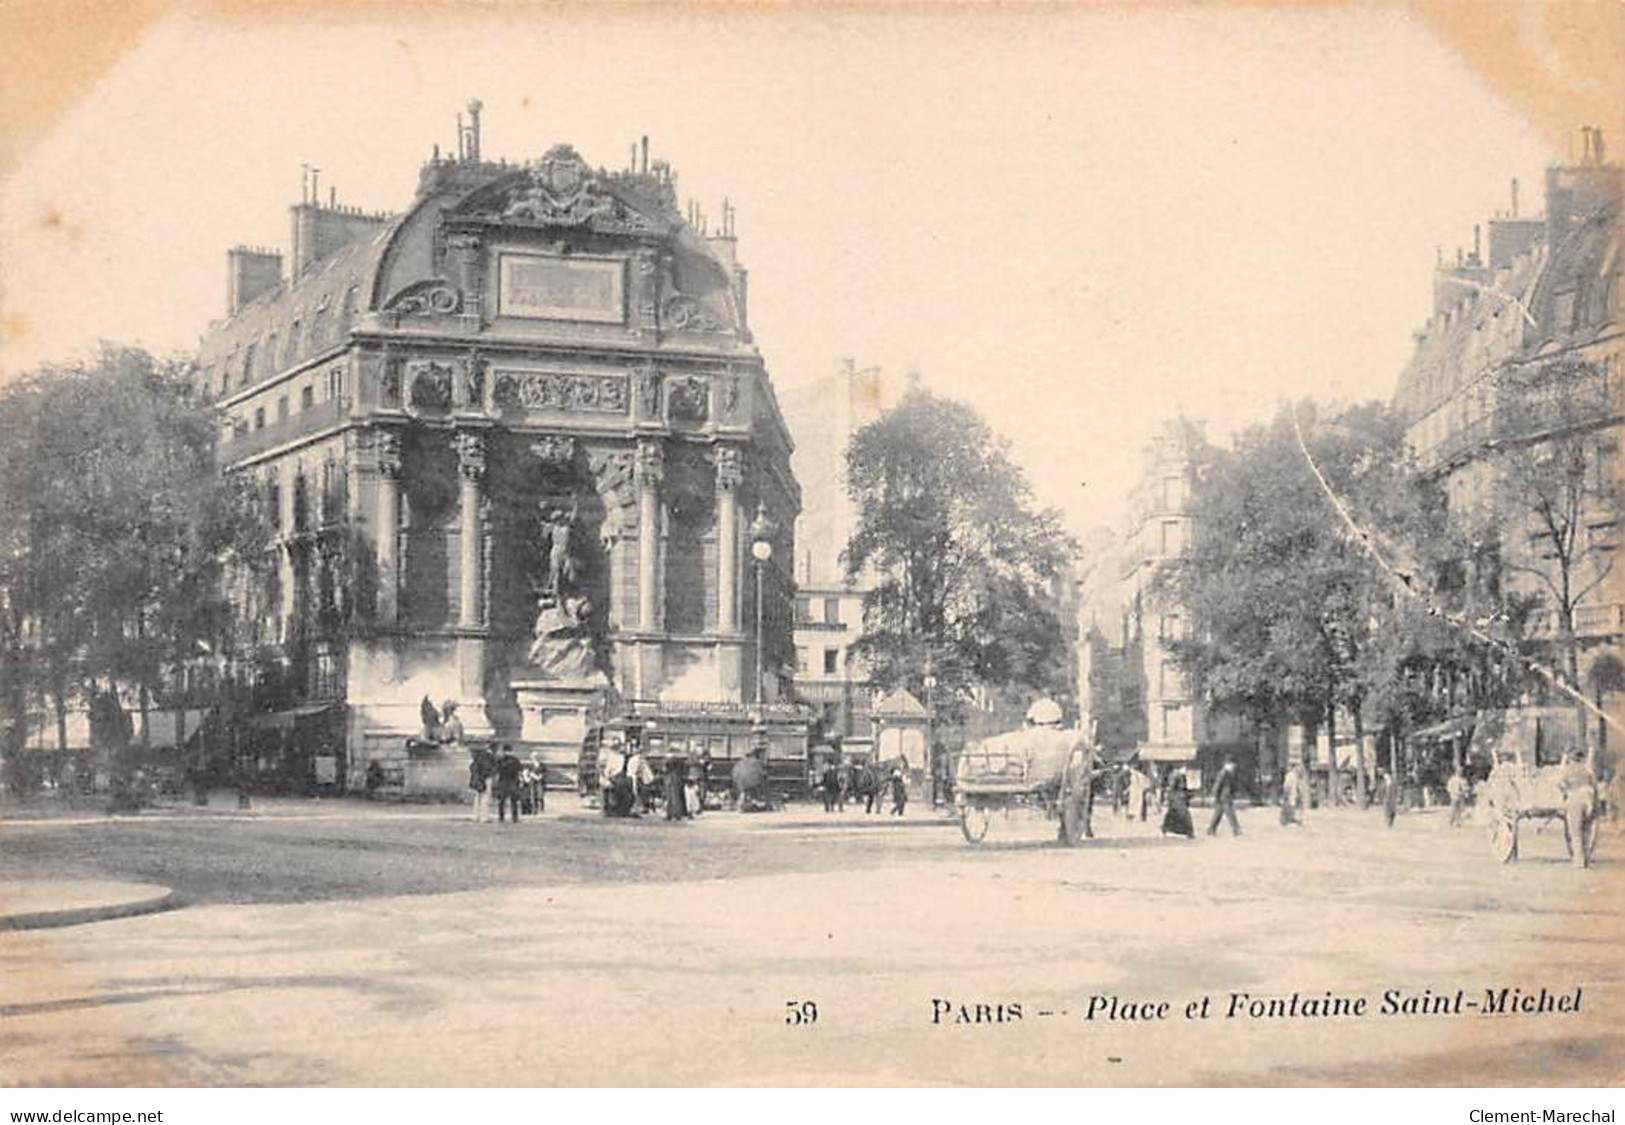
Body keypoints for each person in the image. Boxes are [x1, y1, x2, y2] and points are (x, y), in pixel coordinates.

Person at [1207, 758, 1242, 837]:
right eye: (1232, 765)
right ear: (1228, 764)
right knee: (1230, 813)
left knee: (1218, 814)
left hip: (1225, 797)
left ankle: (1211, 829)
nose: (1234, 767)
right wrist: (1214, 795)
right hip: (1223, 797)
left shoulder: (1229, 773)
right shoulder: (1223, 773)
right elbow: (1218, 784)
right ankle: (1236, 830)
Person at [494, 744, 523, 824]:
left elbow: (497, 771)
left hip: (503, 782)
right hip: (513, 782)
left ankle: (501, 817)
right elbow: (520, 771)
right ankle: (515, 817)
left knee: (502, 801)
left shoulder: (500, 760)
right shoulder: (516, 760)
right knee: (513, 801)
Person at [1161, 771, 1195, 838]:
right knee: (1181, 813)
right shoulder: (1177, 774)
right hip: (1178, 795)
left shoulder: (1174, 774)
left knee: (1174, 812)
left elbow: (1172, 786)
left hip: (1176, 795)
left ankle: (1166, 828)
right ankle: (1188, 831)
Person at [468, 743, 493, 823]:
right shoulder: (486, 759)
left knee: (477, 798)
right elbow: (488, 770)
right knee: (485, 798)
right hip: (484, 779)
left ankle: (476, 815)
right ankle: (484, 817)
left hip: (477, 779)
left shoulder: (475, 761)